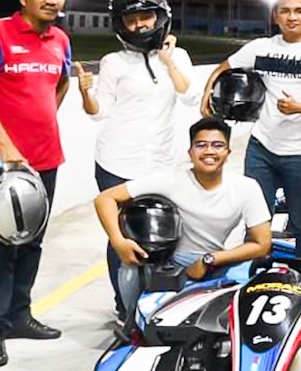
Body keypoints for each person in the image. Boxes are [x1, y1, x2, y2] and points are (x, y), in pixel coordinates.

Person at [0, 0, 72, 367]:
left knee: (32, 243)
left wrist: (45, 119)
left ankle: (19, 315)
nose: (51, 0)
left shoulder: (60, 39)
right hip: (5, 165)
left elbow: (60, 83)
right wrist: (8, 144)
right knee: (1, 246)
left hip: (47, 159)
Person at [75, 0, 198, 322]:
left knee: (160, 232)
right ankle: (124, 307)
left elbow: (189, 97)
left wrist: (169, 61)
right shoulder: (113, 62)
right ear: (122, 25)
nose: (141, 24)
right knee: (122, 237)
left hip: (159, 162)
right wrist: (86, 93)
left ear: (161, 19)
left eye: (147, 17)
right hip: (116, 160)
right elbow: (98, 112)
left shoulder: (179, 56)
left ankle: (154, 301)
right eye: (133, 20)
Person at [201, 0, 301, 260]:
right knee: (255, 222)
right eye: (285, 11)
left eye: (299, 11)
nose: (292, 17)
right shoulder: (260, 48)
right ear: (275, 16)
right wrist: (207, 94)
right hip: (261, 148)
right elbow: (223, 68)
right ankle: (254, 276)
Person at [94, 117, 272, 315]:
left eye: (218, 145)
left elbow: (262, 244)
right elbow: (105, 199)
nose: (209, 151)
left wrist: (210, 259)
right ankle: (133, 324)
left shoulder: (246, 188)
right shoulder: (170, 180)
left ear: (228, 152)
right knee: (130, 266)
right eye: (201, 145)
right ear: (190, 152)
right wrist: (118, 242)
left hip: (217, 260)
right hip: (171, 261)